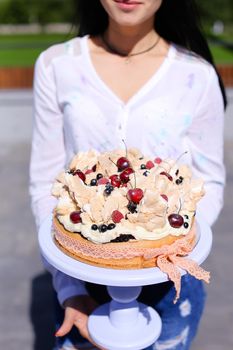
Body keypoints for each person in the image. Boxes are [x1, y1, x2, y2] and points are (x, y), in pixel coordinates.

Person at [29, 0, 226, 349]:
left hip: (172, 284)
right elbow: (47, 183)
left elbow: (208, 181)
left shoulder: (196, 75)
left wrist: (171, 251)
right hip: (80, 278)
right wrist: (68, 288)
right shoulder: (58, 65)